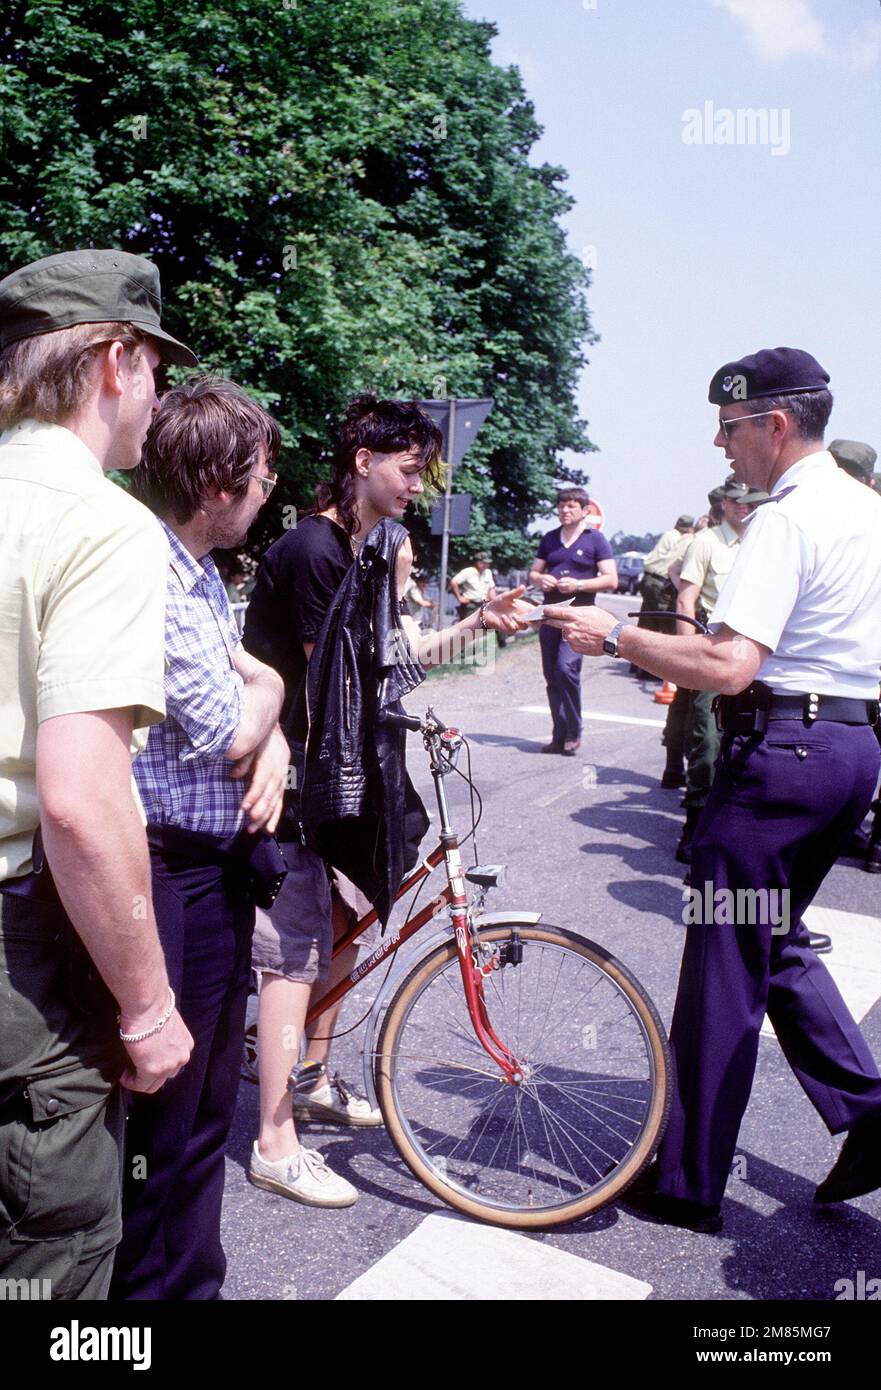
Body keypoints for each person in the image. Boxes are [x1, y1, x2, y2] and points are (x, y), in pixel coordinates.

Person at [545, 346, 881, 1232]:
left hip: (779, 758)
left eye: (729, 429)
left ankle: (689, 1183)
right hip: (846, 750)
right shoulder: (867, 509)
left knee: (722, 958)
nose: (719, 445)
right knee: (770, 939)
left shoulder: (786, 518)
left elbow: (729, 664)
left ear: (774, 425)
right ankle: (868, 1110)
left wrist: (616, 637)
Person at [243, 395, 529, 1207]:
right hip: (294, 776)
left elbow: (390, 664)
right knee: (294, 950)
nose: (420, 485)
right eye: (410, 469)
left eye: (426, 471)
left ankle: (310, 1075)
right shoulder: (312, 549)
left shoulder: (364, 551)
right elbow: (343, 681)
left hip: (341, 771)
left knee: (345, 921)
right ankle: (272, 1140)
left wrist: (480, 619)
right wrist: (403, 702)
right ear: (363, 461)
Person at [0, 249, 195, 1299]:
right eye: (156, 368)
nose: (158, 398)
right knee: (52, 1260)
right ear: (116, 359)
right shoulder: (103, 523)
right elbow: (79, 799)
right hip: (20, 959)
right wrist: (149, 1006)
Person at [108, 379, 288, 1300]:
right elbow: (227, 729)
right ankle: (146, 1303)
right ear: (219, 487)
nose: (267, 495)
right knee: (167, 1120)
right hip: (170, 869)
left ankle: (190, 1286)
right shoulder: (155, 572)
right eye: (259, 479)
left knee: (208, 1104)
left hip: (208, 868)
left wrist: (272, 715)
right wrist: (276, 709)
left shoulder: (199, 572)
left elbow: (246, 677)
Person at [672, 476, 766, 863]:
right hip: (714, 644)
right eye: (735, 500)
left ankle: (734, 827)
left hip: (758, 650)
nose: (742, 507)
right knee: (707, 743)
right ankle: (694, 822)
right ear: (723, 503)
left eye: (748, 501)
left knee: (752, 744)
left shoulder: (767, 537)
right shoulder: (706, 542)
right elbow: (685, 598)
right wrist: (685, 656)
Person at [528, 486, 617, 755]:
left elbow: (611, 579)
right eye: (562, 505)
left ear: (585, 511)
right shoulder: (550, 539)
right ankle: (559, 734)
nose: (565, 510)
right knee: (552, 676)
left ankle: (573, 730)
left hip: (579, 617)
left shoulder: (596, 540)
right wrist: (540, 579)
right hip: (549, 616)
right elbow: (533, 573)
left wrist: (579, 583)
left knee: (566, 669)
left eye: (571, 506)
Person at [631, 513, 694, 678]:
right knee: (664, 627)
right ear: (689, 528)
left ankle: (638, 666)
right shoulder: (687, 539)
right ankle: (654, 670)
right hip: (660, 582)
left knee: (647, 622)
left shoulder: (669, 535)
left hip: (648, 579)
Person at [450, 552, 496, 622]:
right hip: (470, 605)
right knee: (468, 630)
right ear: (477, 562)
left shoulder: (488, 572)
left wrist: (494, 602)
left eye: (487, 563)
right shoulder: (468, 571)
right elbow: (454, 582)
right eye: (483, 563)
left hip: (483, 605)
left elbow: (491, 588)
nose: (486, 565)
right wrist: (459, 598)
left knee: (485, 630)